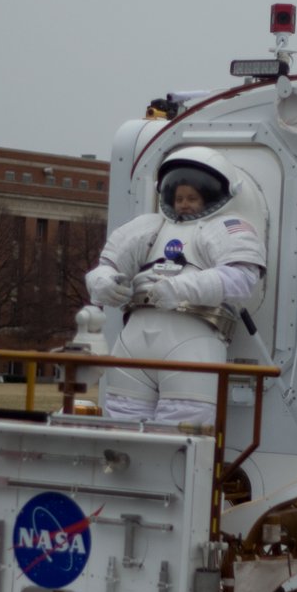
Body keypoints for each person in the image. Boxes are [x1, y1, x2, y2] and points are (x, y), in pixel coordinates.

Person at [85, 147, 267, 424]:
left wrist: (180, 289)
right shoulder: (147, 227)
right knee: (121, 425)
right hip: (133, 341)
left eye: (192, 198)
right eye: (179, 197)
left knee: (183, 431)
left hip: (193, 341)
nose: (184, 204)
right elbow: (105, 266)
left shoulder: (227, 228)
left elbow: (242, 279)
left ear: (212, 196)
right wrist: (104, 284)